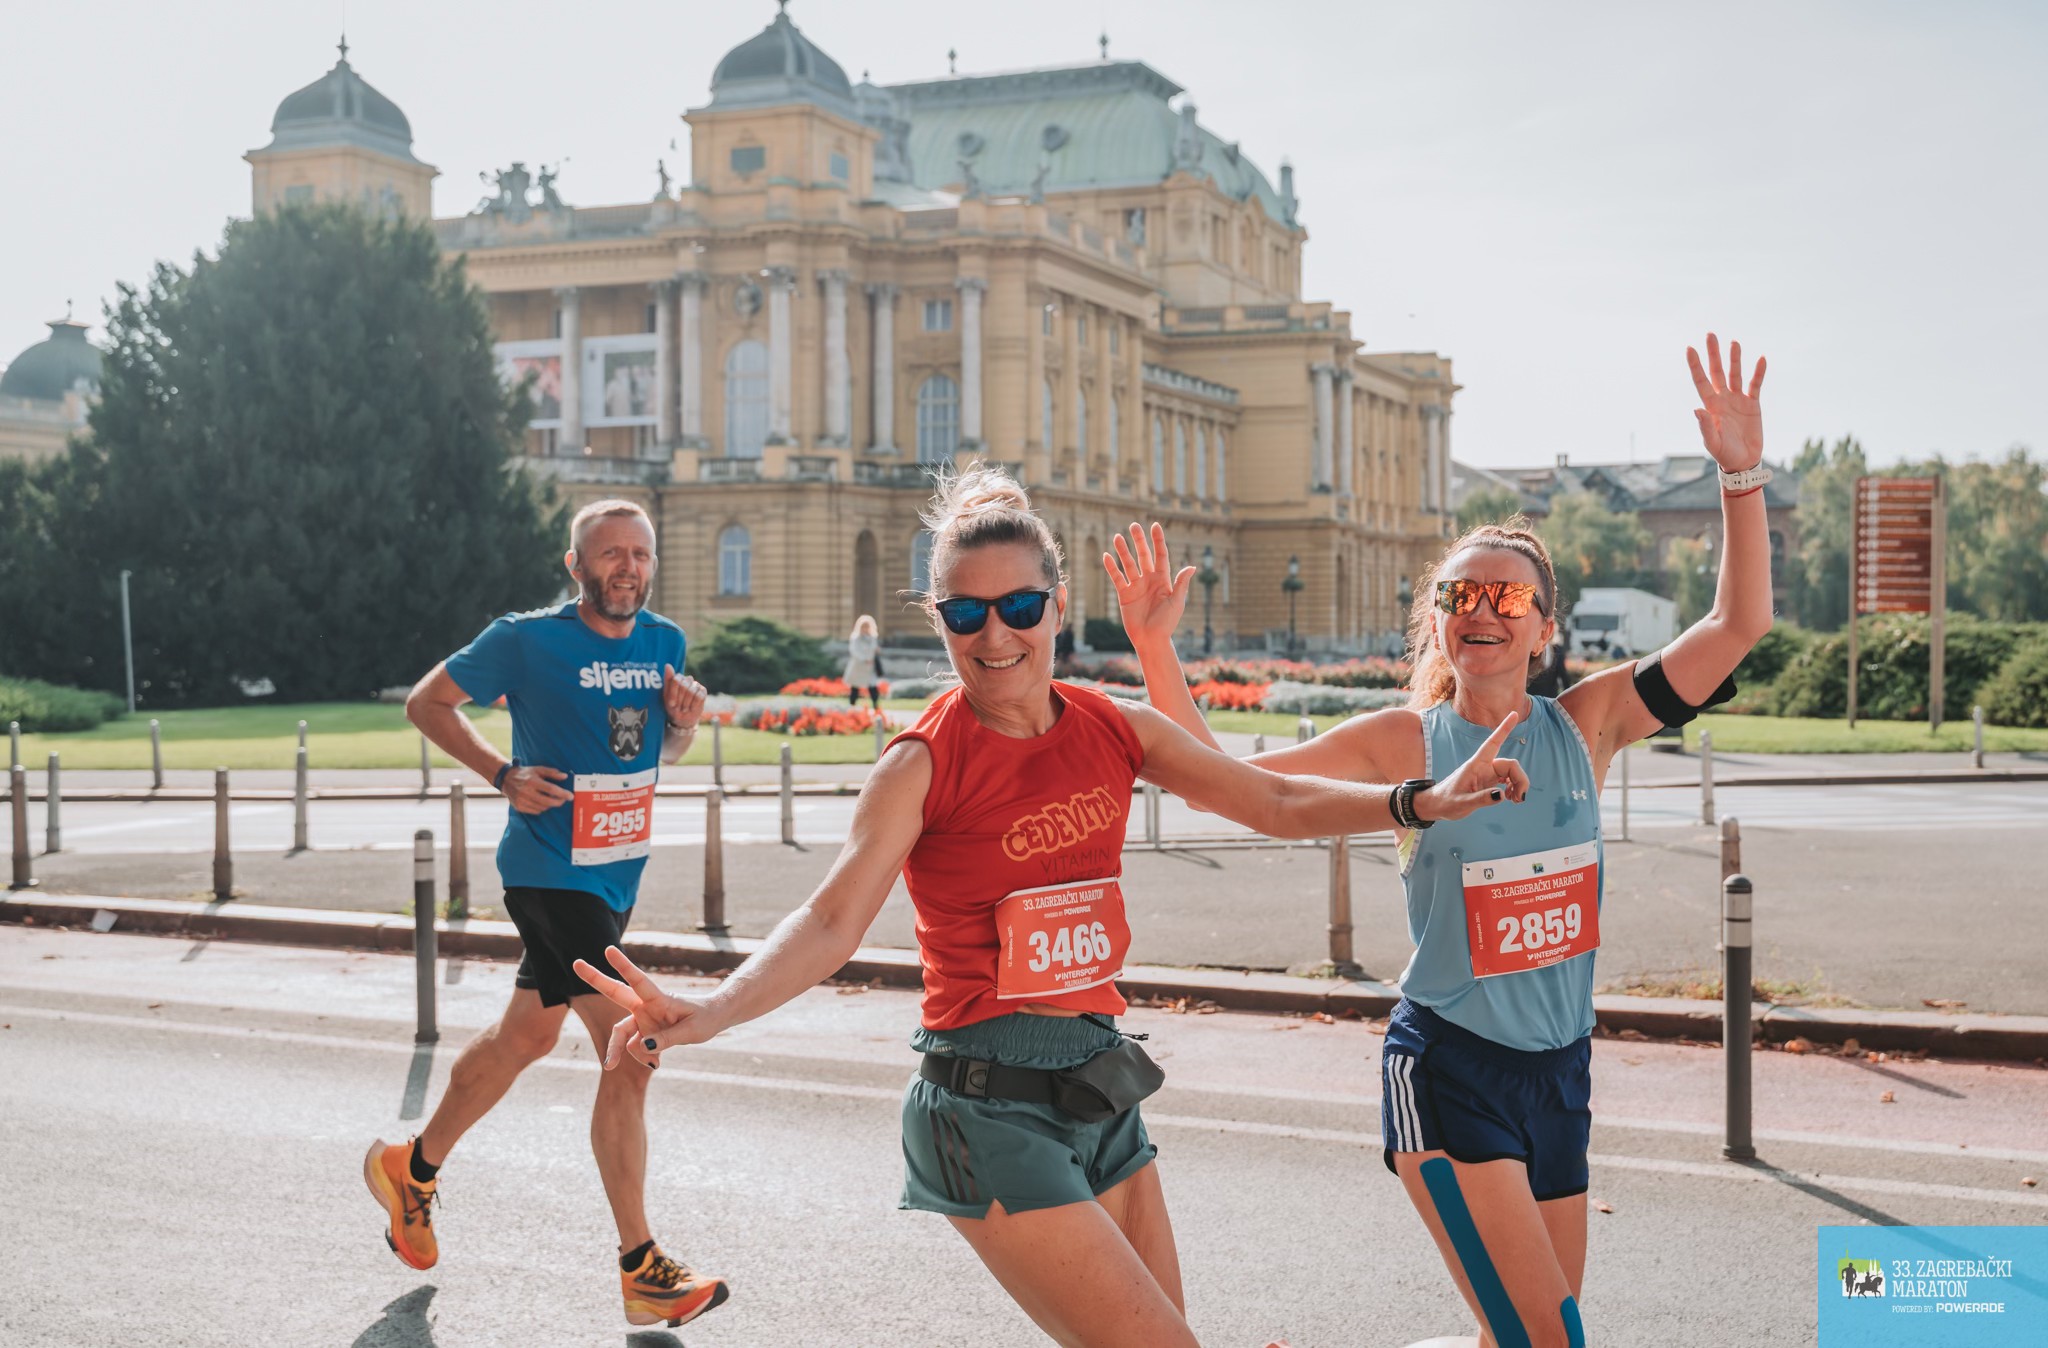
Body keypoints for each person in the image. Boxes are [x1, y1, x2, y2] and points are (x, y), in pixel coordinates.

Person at [569, 464, 1524, 1348]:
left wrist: (1415, 801)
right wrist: (712, 1010)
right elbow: (830, 921)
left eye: (1020, 606)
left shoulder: (1112, 726)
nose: (994, 636)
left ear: (1059, 606)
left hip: (1100, 1089)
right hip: (986, 1111)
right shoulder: (922, 762)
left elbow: (1266, 798)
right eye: (965, 613)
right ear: (937, 618)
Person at [1106, 336, 1773, 1347]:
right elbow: (1224, 786)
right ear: (1435, 623)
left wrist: (1736, 474)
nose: (1481, 612)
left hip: (1557, 1076)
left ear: (1542, 628)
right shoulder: (1402, 740)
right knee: (1547, 1341)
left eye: (1506, 597)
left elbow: (1735, 622)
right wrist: (1157, 648)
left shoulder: (1583, 724)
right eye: (1458, 595)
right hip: (1448, 1071)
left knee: (1510, 1336)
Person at [363, 498, 730, 1330]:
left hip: (613, 881)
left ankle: (408, 1169)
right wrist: (500, 774)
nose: (626, 568)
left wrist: (681, 727)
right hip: (547, 871)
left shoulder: (666, 644)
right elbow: (427, 703)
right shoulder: (525, 640)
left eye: (639, 554)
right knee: (632, 1048)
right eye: (609, 555)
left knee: (526, 1036)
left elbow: (654, 750)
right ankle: (643, 1267)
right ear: (576, 566)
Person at [843, 613, 883, 709]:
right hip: (858, 667)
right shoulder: (855, 638)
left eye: (867, 626)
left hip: (869, 668)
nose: (865, 628)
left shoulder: (872, 638)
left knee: (872, 687)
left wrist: (876, 651)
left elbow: (873, 649)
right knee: (855, 688)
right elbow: (854, 651)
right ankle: (852, 707)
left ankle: (875, 706)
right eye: (863, 626)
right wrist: (865, 659)